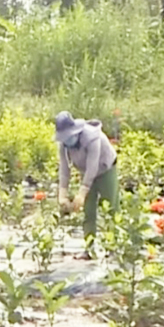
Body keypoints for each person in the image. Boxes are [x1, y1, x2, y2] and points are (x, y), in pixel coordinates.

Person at [54, 110, 118, 259]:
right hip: (85, 171)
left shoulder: (92, 138)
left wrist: (82, 193)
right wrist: (62, 193)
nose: (67, 140)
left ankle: (114, 248)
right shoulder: (64, 145)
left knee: (110, 207)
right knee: (88, 211)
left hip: (105, 168)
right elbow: (64, 168)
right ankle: (89, 249)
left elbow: (92, 167)